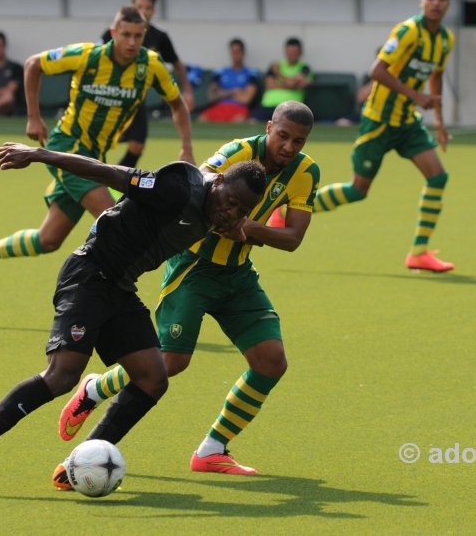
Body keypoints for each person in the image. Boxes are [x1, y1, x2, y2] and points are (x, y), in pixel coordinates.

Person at [0, 142, 267, 496]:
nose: (232, 213)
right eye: (230, 202)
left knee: (153, 378)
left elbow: (232, 217)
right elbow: (108, 173)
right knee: (62, 375)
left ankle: (76, 464)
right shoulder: (178, 188)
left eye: (242, 210)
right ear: (217, 183)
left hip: (120, 286)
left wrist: (239, 226)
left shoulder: (220, 210)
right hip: (89, 275)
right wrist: (38, 154)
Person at [52, 101, 319, 482]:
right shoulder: (239, 152)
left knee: (271, 361)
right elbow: (202, 184)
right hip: (193, 268)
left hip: (238, 274)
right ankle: (96, 388)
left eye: (299, 141)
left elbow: (293, 238)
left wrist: (247, 228)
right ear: (269, 127)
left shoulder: (306, 171)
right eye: (283, 136)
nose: (290, 147)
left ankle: (212, 451)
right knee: (171, 362)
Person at [0, 6, 195, 291]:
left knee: (48, 240)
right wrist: (34, 116)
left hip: (96, 156)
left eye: (138, 36)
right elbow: (33, 64)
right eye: (125, 35)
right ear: (114, 33)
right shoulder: (89, 56)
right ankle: (103, 296)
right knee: (113, 215)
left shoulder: (150, 65)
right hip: (67, 147)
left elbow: (177, 104)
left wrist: (186, 149)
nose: (131, 42)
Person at [313, 0, 457, 273]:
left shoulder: (445, 39)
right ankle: (289, 209)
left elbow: (437, 75)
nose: (435, 3)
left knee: (438, 177)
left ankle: (419, 253)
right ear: (422, 0)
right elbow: (377, 71)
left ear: (447, 5)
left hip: (407, 123)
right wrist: (415, 95)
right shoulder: (407, 31)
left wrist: (440, 123)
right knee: (358, 190)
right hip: (378, 121)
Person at [101, 0, 195, 168]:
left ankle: (112, 186)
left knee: (137, 146)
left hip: (135, 99)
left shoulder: (158, 40)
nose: (143, 11)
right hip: (107, 97)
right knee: (97, 146)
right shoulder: (110, 34)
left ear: (153, 11)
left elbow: (177, 64)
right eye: (139, 6)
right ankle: (97, 184)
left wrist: (188, 91)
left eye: (147, 7)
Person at [250, 38, 313, 123]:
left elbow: (292, 84)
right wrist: (292, 86)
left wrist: (278, 73)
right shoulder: (276, 64)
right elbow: (270, 84)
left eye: (295, 52)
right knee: (252, 121)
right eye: (289, 51)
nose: (292, 54)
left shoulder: (304, 68)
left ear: (300, 52)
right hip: (268, 105)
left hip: (291, 108)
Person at [198, 39, 259, 123]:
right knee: (202, 119)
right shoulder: (220, 72)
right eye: (233, 52)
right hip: (219, 107)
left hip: (239, 108)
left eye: (238, 51)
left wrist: (221, 93)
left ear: (243, 53)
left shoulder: (251, 73)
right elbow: (211, 97)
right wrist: (234, 92)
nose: (235, 55)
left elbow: (246, 99)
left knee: (239, 121)